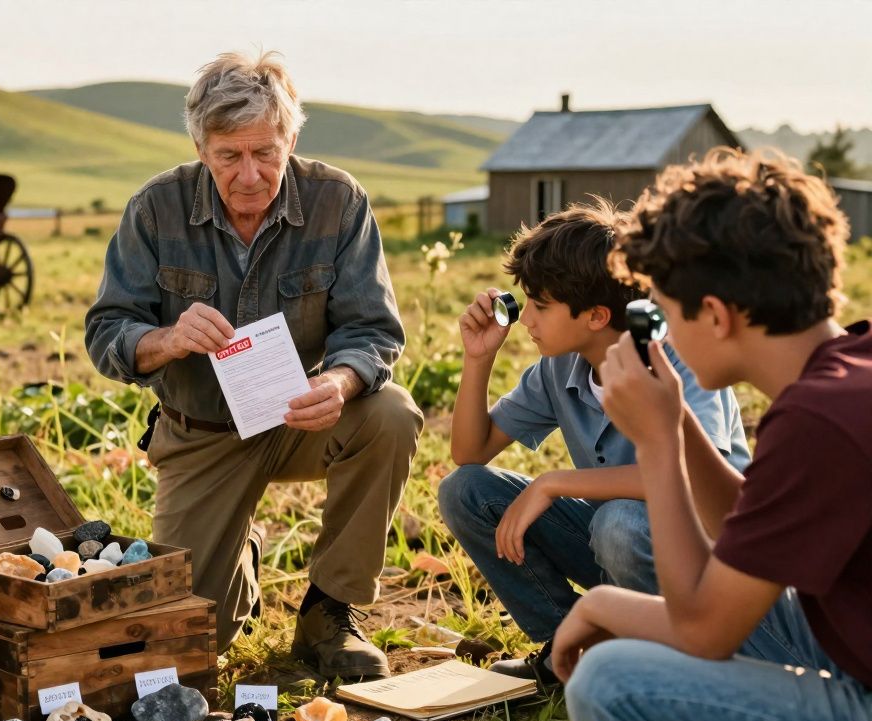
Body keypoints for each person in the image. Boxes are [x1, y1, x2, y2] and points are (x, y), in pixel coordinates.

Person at [84, 51, 423, 679]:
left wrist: (339, 381)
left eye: (266, 152)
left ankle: (330, 613)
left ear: (292, 138)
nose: (249, 175)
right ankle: (240, 551)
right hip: (202, 436)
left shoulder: (338, 201)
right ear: (199, 146)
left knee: (391, 414)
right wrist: (165, 339)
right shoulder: (155, 209)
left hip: (302, 418)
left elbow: (373, 328)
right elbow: (107, 332)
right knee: (187, 646)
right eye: (228, 156)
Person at [557, 148, 872, 721]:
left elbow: (704, 630)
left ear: (716, 315)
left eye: (667, 314)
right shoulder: (849, 371)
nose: (664, 334)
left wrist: (654, 447)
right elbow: (744, 529)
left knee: (611, 681)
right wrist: (675, 422)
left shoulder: (816, 421)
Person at [438, 199, 750, 687]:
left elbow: (692, 483)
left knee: (618, 522)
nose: (527, 320)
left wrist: (555, 482)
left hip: (707, 563)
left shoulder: (681, 361)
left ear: (597, 315)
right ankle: (571, 652)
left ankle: (668, 666)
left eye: (541, 306)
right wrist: (478, 360)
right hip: (617, 546)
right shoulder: (559, 367)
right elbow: (470, 454)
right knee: (465, 490)